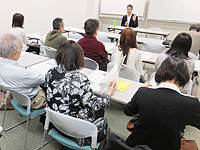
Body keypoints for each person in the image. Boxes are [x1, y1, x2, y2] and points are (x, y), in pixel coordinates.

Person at [124, 56, 200, 150]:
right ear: (185, 78)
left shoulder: (143, 92)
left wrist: (140, 90)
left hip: (136, 145)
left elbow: (128, 111)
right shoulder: (191, 103)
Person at [45, 40, 117, 123]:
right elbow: (96, 105)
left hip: (54, 119)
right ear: (78, 58)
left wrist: (77, 76)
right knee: (100, 111)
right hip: (72, 125)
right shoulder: (80, 80)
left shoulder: (50, 72)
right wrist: (109, 93)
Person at [0, 33, 46, 109]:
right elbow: (42, 79)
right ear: (14, 54)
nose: (21, 52)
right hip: (33, 100)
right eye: (20, 50)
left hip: (16, 95)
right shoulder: (19, 73)